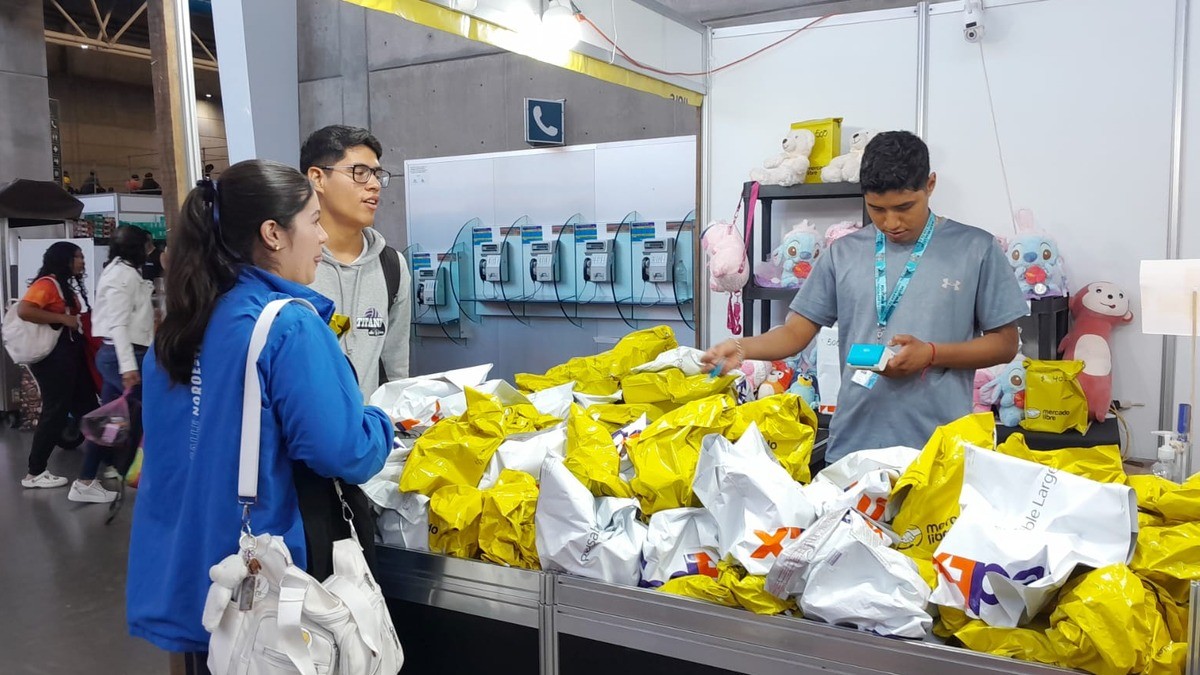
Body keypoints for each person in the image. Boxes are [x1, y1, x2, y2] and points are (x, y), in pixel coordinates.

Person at [126, 160, 393, 665]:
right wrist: (380, 422)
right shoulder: (287, 325)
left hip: (197, 571)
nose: (321, 238)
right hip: (271, 580)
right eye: (313, 221)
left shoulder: (181, 327)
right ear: (273, 233)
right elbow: (343, 449)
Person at [703, 131, 1028, 464]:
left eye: (905, 207)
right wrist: (742, 348)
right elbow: (796, 333)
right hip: (852, 448)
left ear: (930, 185)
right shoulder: (843, 253)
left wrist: (930, 354)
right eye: (877, 209)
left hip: (939, 455)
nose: (891, 222)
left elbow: (1004, 344)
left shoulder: (975, 249)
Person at [301, 125, 410, 400]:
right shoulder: (291, 266)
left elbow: (396, 372)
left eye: (376, 174)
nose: (374, 184)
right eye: (359, 173)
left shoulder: (391, 266)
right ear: (317, 178)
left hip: (368, 435)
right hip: (305, 437)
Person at [70, 226, 155, 503]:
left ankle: (87, 479)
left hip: (119, 354)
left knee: (111, 420)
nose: (150, 250)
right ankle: (134, 473)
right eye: (147, 245)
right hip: (124, 354)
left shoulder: (122, 270)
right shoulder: (122, 275)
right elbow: (118, 323)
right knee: (142, 417)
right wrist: (128, 367)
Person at [17, 243, 99, 489]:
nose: (82, 261)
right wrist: (63, 318)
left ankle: (111, 459)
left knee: (89, 407)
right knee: (56, 411)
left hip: (69, 356)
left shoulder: (62, 285)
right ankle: (35, 472)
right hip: (55, 359)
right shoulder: (47, 284)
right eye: (78, 256)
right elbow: (24, 310)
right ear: (64, 259)